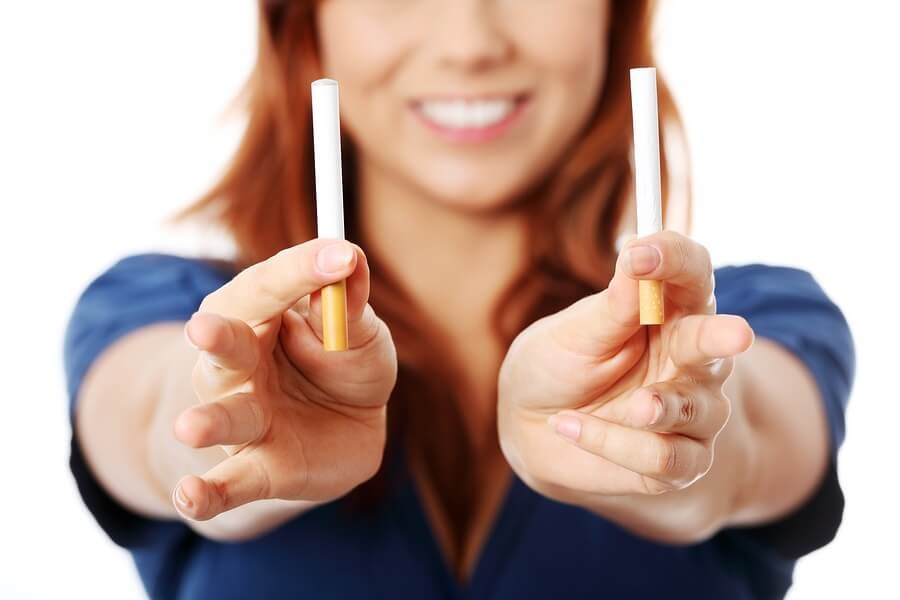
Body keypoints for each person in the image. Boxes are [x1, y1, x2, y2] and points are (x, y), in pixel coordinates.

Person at [64, 1, 855, 598]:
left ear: (614, 21)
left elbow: (750, 439)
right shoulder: (156, 304)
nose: (472, 44)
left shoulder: (745, 319)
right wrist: (225, 424)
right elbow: (149, 421)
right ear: (305, 29)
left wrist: (676, 436)